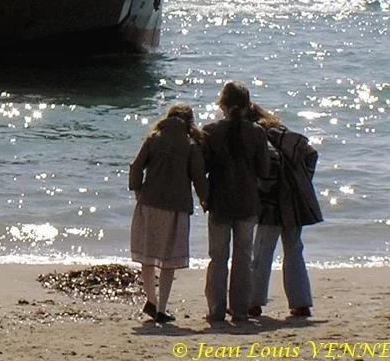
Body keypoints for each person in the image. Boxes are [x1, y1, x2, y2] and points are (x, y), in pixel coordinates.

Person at [129, 104, 208, 324]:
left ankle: (151, 300)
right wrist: (205, 199)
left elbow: (136, 167)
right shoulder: (190, 144)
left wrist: (137, 189)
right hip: (176, 206)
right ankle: (162, 307)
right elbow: (199, 176)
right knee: (169, 260)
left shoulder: (154, 138)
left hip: (149, 202)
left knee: (147, 255)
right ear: (189, 122)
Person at [201, 81, 270, 323]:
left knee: (218, 258)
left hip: (220, 203)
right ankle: (240, 310)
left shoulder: (210, 131)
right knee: (243, 258)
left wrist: (203, 195)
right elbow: (264, 170)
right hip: (247, 204)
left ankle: (216, 310)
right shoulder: (257, 133)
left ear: (222, 104)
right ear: (247, 105)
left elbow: (204, 168)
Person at [248, 103, 322, 319]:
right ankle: (301, 303)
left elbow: (270, 161)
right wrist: (303, 179)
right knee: (293, 249)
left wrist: (264, 187)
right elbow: (310, 154)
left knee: (262, 251)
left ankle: (253, 302)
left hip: (272, 201)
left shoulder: (259, 133)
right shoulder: (282, 132)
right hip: (295, 200)